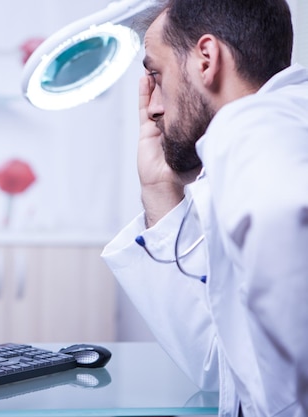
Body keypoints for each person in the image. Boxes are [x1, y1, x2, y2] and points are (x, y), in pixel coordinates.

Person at [100, 0, 308, 416]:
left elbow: (280, 214)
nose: (154, 107)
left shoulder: (250, 126)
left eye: (156, 75)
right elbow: (220, 369)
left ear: (206, 59)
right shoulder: (274, 127)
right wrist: (160, 191)